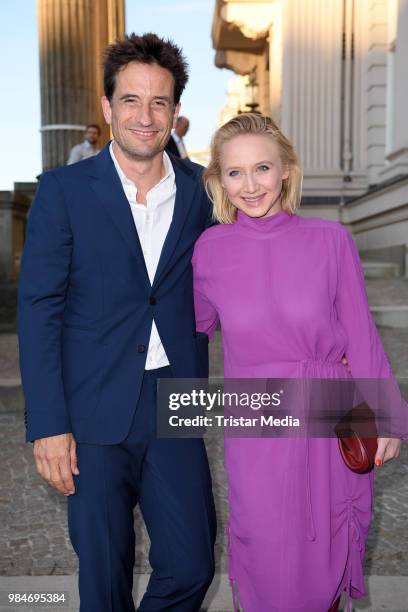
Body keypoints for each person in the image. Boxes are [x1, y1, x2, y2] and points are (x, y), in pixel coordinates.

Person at [18, 33, 216, 612]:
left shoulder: (205, 193)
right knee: (104, 575)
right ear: (107, 108)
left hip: (178, 399)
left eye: (159, 102)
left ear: (176, 112)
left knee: (193, 564)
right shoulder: (64, 190)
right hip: (92, 403)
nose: (145, 115)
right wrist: (48, 425)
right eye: (131, 100)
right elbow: (39, 310)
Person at [192, 113, 403, 612]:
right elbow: (189, 331)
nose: (250, 185)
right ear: (219, 179)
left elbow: (361, 333)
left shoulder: (331, 241)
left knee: (324, 546)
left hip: (329, 414)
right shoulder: (209, 250)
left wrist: (387, 414)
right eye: (235, 172)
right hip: (256, 416)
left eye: (261, 168)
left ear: (286, 169)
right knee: (261, 540)